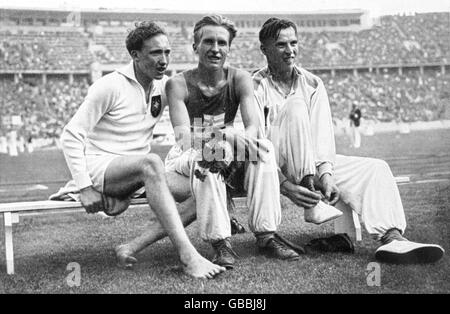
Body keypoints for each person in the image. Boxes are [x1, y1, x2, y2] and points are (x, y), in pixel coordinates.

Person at [252, 17, 444, 264]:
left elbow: (322, 136)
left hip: (308, 162)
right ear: (264, 49)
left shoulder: (313, 83)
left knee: (375, 168)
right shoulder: (254, 85)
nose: (290, 50)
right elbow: (255, 142)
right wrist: (284, 184)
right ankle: (312, 201)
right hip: (272, 166)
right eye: (281, 45)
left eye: (294, 43)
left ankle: (393, 238)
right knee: (296, 107)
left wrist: (327, 175)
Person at [60, 21, 225, 279]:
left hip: (138, 173)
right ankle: (188, 255)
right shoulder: (109, 86)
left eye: (167, 53)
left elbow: (194, 122)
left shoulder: (164, 86)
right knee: (151, 162)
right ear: (135, 55)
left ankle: (131, 246)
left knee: (205, 185)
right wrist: (84, 188)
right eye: (155, 53)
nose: (163, 60)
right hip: (102, 167)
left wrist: (226, 142)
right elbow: (71, 135)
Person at [164, 14, 304, 269]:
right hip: (186, 157)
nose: (215, 49)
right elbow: (184, 137)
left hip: (225, 147)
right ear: (195, 46)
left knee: (264, 149)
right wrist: (228, 135)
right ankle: (220, 243)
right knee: (213, 152)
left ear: (229, 47)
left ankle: (266, 235)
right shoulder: (178, 84)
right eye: (208, 42)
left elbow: (252, 128)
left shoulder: (240, 79)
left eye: (222, 42)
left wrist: (235, 139)